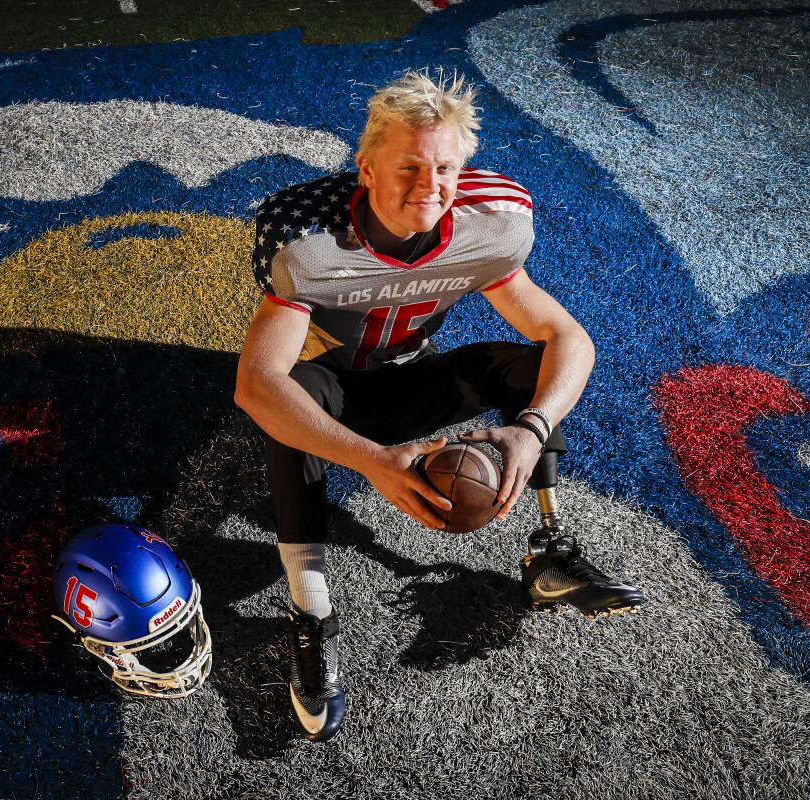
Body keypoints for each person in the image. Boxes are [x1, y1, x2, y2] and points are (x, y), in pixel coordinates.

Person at [233, 70, 644, 743]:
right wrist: (371, 462)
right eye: (410, 167)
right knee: (289, 403)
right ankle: (311, 612)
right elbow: (255, 382)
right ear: (365, 169)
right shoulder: (305, 231)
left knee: (530, 366)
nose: (430, 185)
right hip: (330, 390)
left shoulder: (494, 222)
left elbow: (567, 337)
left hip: (413, 378)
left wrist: (530, 433)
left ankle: (549, 550)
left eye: (446, 167)